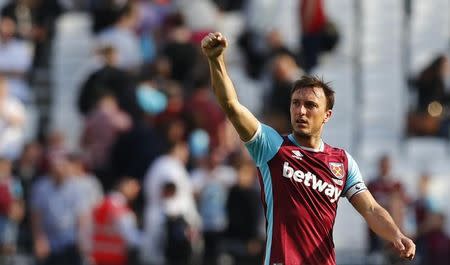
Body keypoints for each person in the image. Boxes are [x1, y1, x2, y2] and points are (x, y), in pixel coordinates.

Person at [201, 32, 416, 265]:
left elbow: (371, 209)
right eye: (296, 103)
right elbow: (232, 106)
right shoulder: (272, 147)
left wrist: (396, 234)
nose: (301, 111)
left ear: (327, 115)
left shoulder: (342, 162)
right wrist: (216, 60)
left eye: (310, 105)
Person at [90, 176, 141, 265]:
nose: (136, 191)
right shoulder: (122, 211)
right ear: (124, 187)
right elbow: (131, 237)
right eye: (133, 187)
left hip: (98, 257)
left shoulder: (100, 204)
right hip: (115, 258)